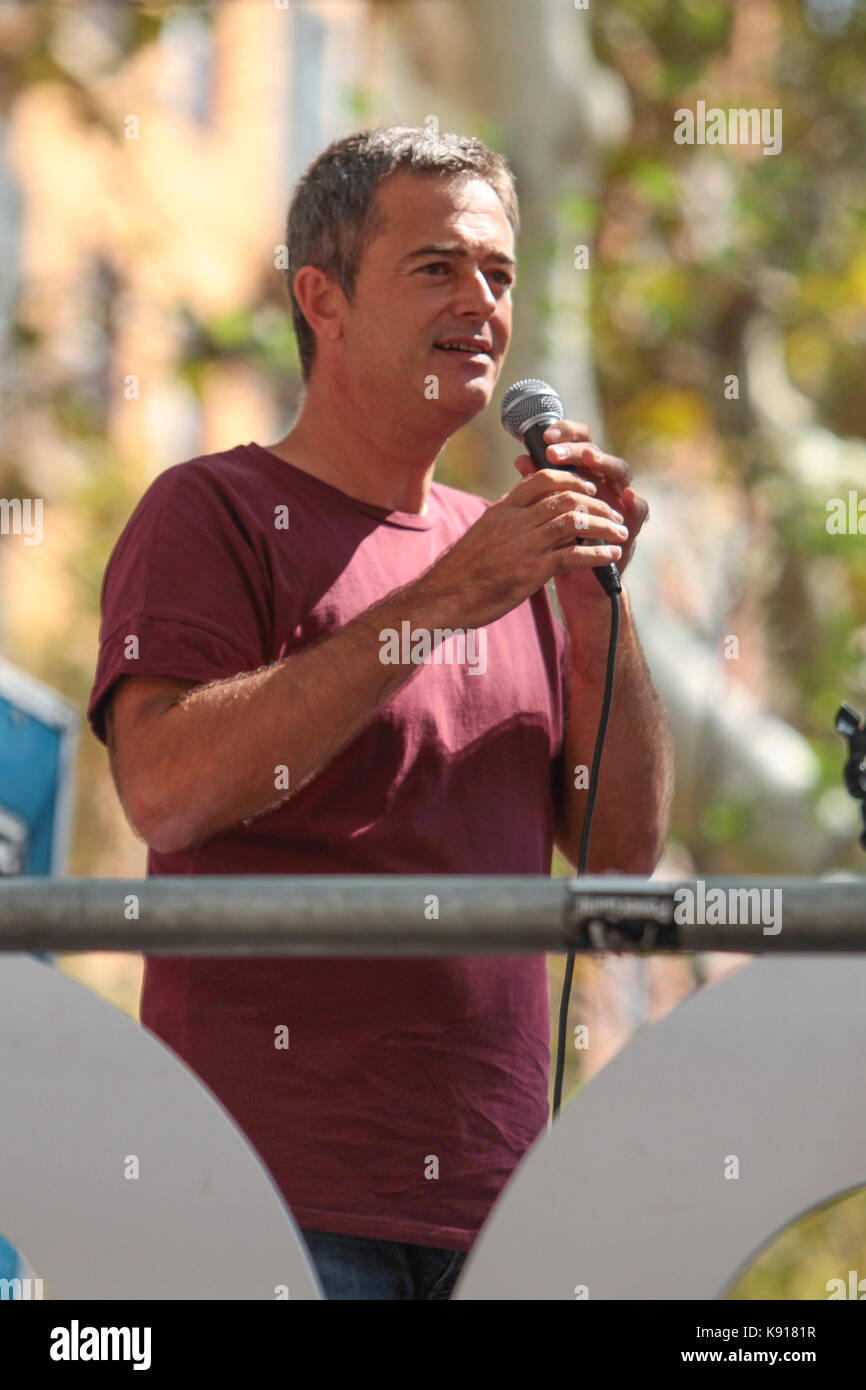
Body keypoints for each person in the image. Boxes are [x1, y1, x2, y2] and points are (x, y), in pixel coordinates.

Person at [86, 127, 673, 1301]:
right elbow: (168, 786)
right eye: (435, 268)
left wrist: (593, 610)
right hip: (260, 1201)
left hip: (499, 1213)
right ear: (322, 299)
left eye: (499, 276)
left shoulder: (507, 551)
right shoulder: (212, 510)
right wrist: (448, 596)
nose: (480, 304)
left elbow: (616, 850)